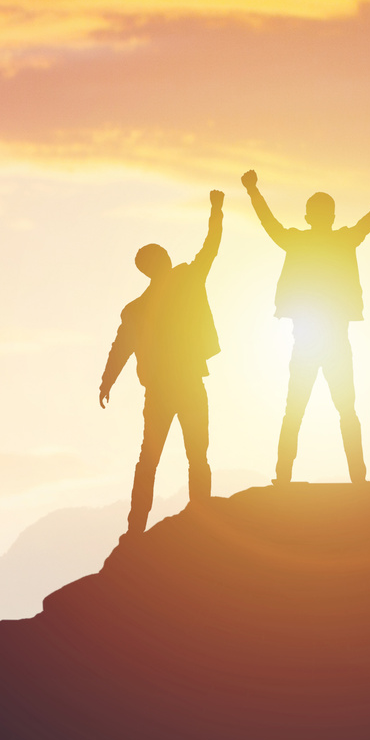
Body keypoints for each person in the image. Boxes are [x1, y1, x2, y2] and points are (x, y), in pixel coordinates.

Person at [243, 165, 370, 485]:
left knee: (297, 409)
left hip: (309, 339)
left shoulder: (298, 241)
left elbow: (268, 223)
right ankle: (356, 479)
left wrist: (253, 190)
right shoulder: (343, 239)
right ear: (329, 215)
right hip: (331, 339)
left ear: (309, 216)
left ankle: (284, 477)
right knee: (344, 410)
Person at [100, 190, 224, 541]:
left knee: (155, 458)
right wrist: (216, 211)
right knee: (190, 454)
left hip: (163, 388)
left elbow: (120, 348)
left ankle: (137, 527)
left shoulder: (139, 306)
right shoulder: (181, 282)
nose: (169, 258)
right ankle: (188, 518)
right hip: (180, 384)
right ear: (154, 266)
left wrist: (106, 382)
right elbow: (210, 249)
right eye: (162, 257)